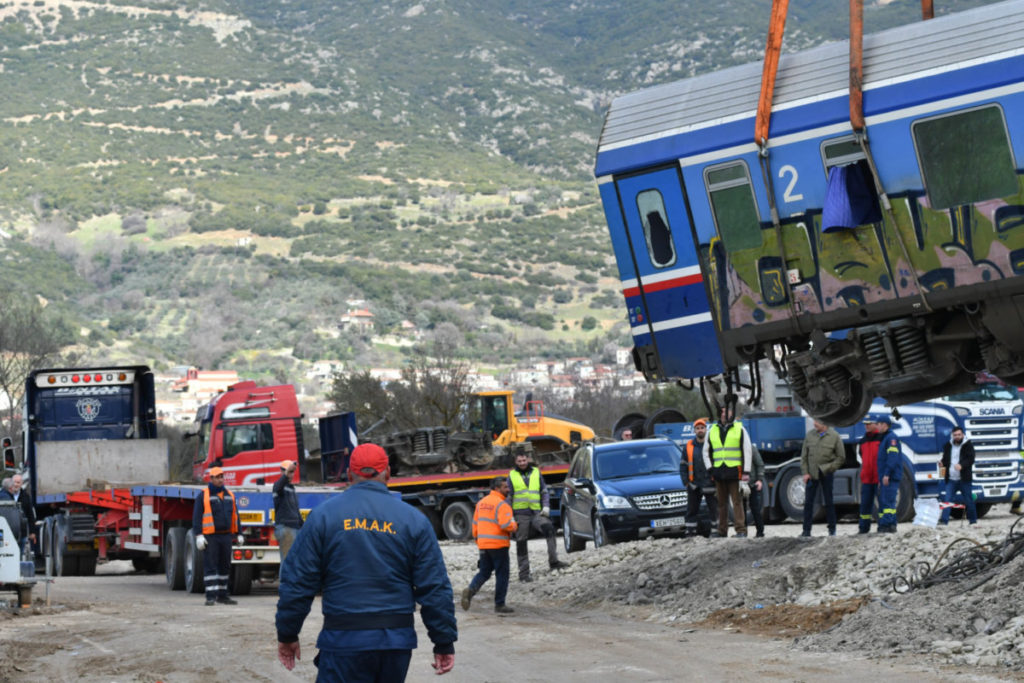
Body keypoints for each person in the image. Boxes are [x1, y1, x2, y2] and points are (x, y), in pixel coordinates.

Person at [275, 443, 456, 681]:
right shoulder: (414, 520)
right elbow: (434, 586)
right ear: (388, 473)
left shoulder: (323, 517)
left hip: (343, 640)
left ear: (349, 475)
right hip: (395, 643)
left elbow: (298, 581)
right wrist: (443, 641)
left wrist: (288, 633)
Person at [508, 452, 568, 582]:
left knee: (549, 529)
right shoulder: (511, 475)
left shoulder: (536, 472)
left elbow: (544, 491)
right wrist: (509, 515)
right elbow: (509, 497)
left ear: (528, 459)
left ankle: (554, 561)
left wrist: (546, 506)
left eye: (524, 460)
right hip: (520, 514)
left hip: (536, 513)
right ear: (516, 462)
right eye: (519, 461)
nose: (522, 463)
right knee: (521, 541)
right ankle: (524, 574)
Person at [461, 477, 517, 614]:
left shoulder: (481, 503)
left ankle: (471, 590)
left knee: (484, 572)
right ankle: (499, 604)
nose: (508, 489)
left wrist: (479, 542)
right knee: (502, 574)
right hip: (499, 545)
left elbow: (475, 525)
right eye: (505, 487)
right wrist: (514, 525)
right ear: (497, 488)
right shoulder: (502, 505)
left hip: (484, 545)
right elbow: (506, 525)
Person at [192, 466, 243, 606]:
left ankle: (223, 595)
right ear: (211, 478)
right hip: (211, 537)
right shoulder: (204, 495)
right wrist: (199, 535)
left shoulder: (229, 495)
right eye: (218, 477)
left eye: (222, 477)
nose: (221, 480)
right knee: (211, 566)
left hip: (226, 536)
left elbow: (235, 516)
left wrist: (239, 533)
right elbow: (197, 517)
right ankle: (210, 596)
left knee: (225, 566)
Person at [702, 407, 752, 538]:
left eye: (727, 411)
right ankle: (722, 531)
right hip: (719, 472)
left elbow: (747, 450)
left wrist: (746, 472)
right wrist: (710, 469)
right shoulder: (712, 430)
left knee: (737, 502)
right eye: (722, 412)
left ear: (732, 413)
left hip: (735, 472)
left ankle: (741, 531)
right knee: (721, 504)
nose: (724, 414)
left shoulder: (740, 429)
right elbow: (705, 452)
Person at [800, 419, 846, 537]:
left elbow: (841, 457)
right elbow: (804, 457)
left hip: (826, 473)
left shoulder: (834, 436)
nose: (814, 423)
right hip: (812, 474)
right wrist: (805, 473)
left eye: (817, 422)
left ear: (825, 424)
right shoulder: (810, 435)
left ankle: (832, 530)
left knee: (829, 501)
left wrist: (830, 468)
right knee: (808, 502)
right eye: (814, 421)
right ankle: (806, 531)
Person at [681, 418, 717, 537]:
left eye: (702, 428)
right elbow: (683, 465)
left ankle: (715, 531)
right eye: (697, 428)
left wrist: (716, 480)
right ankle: (691, 533)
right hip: (694, 484)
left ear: (706, 429)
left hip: (710, 483)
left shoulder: (712, 444)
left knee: (714, 509)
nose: (700, 430)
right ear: (694, 431)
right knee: (691, 510)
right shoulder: (689, 446)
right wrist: (686, 482)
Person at [939, 426, 977, 526]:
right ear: (952, 435)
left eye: (959, 435)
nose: (957, 437)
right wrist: (942, 463)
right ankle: (944, 521)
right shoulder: (948, 445)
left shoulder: (968, 445)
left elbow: (971, 459)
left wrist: (961, 465)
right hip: (951, 479)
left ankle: (973, 521)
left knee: (968, 500)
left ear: (963, 435)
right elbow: (946, 459)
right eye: (955, 435)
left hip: (964, 479)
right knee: (947, 500)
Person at [875, 416, 902, 533]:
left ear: (885, 425)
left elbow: (892, 458)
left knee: (888, 502)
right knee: (885, 501)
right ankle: (887, 525)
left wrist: (887, 474)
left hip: (890, 476)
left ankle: (887, 526)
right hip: (886, 476)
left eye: (878, 424)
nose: (877, 426)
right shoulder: (886, 438)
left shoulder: (891, 438)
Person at [273, 459, 303, 561]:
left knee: (294, 562)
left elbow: (296, 510)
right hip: (286, 529)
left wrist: (302, 527)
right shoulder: (278, 486)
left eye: (292, 472)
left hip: (295, 528)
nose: (291, 474)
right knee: (287, 562)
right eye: (289, 472)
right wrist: (286, 474)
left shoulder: (291, 488)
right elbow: (279, 486)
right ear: (282, 472)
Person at [856, 418, 882, 534]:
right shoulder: (863, 441)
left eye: (869, 424)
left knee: (882, 504)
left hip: (878, 477)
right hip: (867, 478)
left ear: (876, 424)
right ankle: (863, 528)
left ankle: (882, 526)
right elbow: (862, 456)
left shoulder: (881, 439)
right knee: (865, 505)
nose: (866, 426)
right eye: (865, 424)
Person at [1, 473, 36, 544]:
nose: (16, 484)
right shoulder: (5, 496)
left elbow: (30, 515)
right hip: (6, 529)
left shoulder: (26, 496)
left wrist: (32, 531)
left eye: (18, 482)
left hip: (21, 532)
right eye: (14, 482)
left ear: (21, 483)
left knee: (20, 549)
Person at [746, 443, 766, 538]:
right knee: (740, 509)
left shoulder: (751, 448)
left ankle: (760, 531)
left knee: (754, 507)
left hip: (752, 483)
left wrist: (759, 479)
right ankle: (742, 532)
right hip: (739, 483)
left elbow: (759, 464)